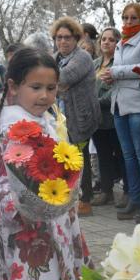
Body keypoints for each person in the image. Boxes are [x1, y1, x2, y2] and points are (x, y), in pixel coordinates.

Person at [0, 46, 93, 280]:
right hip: (23, 218)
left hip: (54, 213)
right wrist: (35, 202)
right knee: (33, 276)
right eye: (36, 87)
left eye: (51, 88)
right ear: (14, 87)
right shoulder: (12, 126)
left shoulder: (47, 121)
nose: (44, 95)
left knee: (59, 270)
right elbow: (7, 178)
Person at [100, 2, 140, 222]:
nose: (128, 21)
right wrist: (109, 77)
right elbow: (122, 71)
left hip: (139, 104)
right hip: (119, 104)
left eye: (133, 18)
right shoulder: (122, 41)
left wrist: (114, 71)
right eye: (125, 17)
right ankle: (134, 198)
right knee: (128, 156)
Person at [52, 16, 100, 216]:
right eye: (59, 37)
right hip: (61, 114)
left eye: (67, 38)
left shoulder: (82, 57)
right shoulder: (56, 58)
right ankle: (70, 195)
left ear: (76, 38)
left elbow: (62, 78)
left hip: (81, 115)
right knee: (65, 156)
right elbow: (55, 82)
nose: (63, 41)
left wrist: (57, 83)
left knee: (80, 158)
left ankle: (85, 199)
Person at [91, 27, 126, 206]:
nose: (106, 42)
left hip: (114, 116)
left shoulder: (119, 63)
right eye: (103, 39)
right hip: (97, 120)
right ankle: (106, 191)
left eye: (111, 40)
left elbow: (116, 90)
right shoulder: (95, 63)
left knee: (120, 154)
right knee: (103, 155)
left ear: (117, 43)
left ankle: (127, 191)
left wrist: (96, 102)